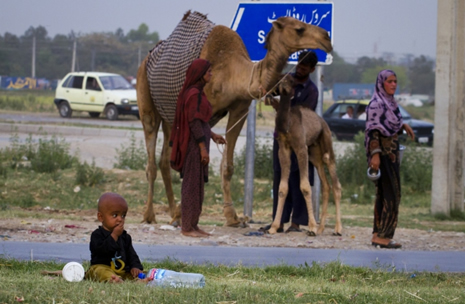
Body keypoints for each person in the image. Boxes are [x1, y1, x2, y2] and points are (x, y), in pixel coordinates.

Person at [260, 51, 318, 233]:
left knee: (300, 177)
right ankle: (278, 221)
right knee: (280, 176)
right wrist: (269, 95)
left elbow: (305, 115)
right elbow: (269, 91)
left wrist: (282, 107)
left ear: (312, 69)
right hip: (282, 136)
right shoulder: (286, 80)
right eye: (298, 64)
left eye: (304, 67)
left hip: (300, 139)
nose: (299, 69)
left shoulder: (311, 90)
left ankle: (297, 223)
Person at [170, 58, 226, 238]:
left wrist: (213, 136)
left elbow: (202, 122)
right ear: (200, 74)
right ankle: (186, 227)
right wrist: (203, 148)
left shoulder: (198, 93)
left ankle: (194, 225)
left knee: (198, 188)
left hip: (199, 146)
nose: (211, 74)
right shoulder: (193, 94)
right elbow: (194, 123)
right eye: (208, 71)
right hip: (193, 148)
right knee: (191, 187)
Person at [365, 70, 415, 249]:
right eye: (390, 81)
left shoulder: (390, 104)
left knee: (384, 195)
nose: (393, 84)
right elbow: (373, 131)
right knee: (392, 195)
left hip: (392, 155)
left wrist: (402, 125)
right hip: (383, 156)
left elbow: (389, 124)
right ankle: (384, 236)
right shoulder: (376, 104)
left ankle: (377, 233)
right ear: (381, 83)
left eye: (395, 81)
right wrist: (375, 155)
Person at [84, 192, 144, 283]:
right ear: (101, 217)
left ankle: (137, 280)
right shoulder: (97, 235)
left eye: (123, 215)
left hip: (122, 272)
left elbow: (132, 255)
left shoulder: (125, 237)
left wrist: (135, 267)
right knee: (99, 271)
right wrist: (114, 236)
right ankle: (113, 280)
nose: (120, 219)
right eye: (115, 215)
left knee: (140, 274)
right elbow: (102, 251)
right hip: (102, 268)